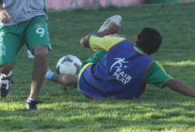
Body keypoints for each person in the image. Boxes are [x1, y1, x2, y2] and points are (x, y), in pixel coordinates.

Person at [46, 15, 195, 99]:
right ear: (155, 50)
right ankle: (106, 40)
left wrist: (105, 33)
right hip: (113, 95)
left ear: (137, 38)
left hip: (89, 85)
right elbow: (173, 83)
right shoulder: (151, 67)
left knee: (107, 49)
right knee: (113, 49)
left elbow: (83, 41)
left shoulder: (120, 43)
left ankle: (106, 34)